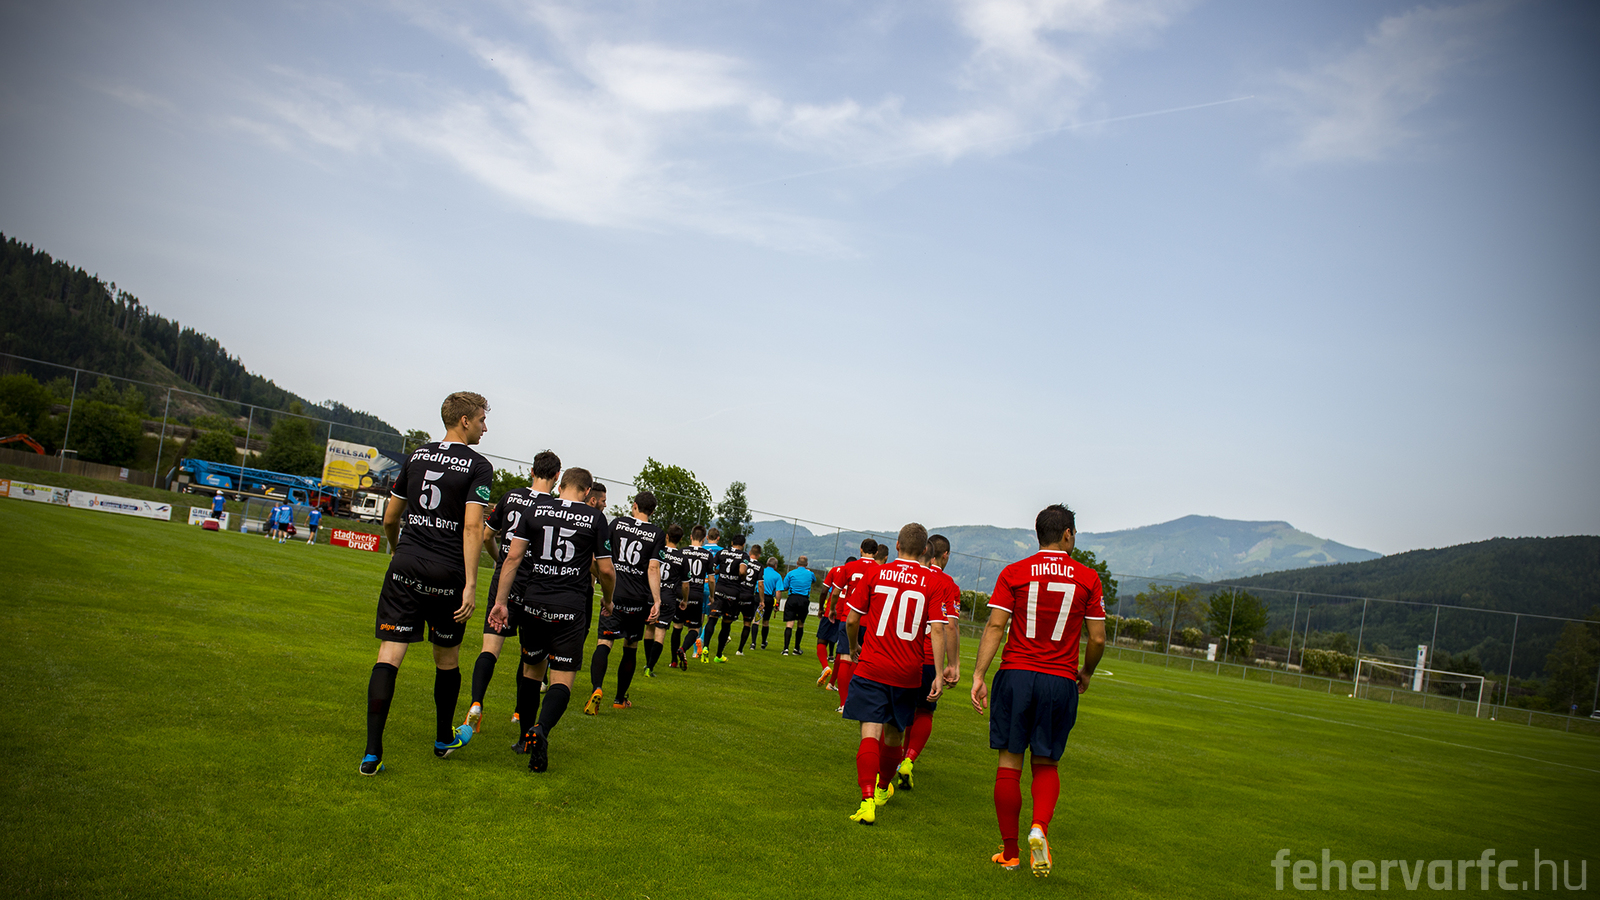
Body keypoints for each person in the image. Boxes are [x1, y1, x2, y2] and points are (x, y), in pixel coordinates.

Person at [359, 391, 493, 776]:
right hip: (447, 572)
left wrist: (396, 550)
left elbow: (390, 518)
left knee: (389, 654)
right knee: (446, 659)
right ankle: (442, 739)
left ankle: (372, 753)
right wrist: (471, 584)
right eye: (482, 419)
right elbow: (472, 527)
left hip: (405, 565)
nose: (485, 427)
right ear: (464, 420)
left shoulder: (417, 455)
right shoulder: (479, 466)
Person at [971, 504, 1106, 878]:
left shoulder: (1014, 572)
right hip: (1059, 680)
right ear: (1067, 533)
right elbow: (1097, 638)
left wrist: (979, 675)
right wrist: (1086, 672)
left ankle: (1010, 853)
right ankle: (1039, 828)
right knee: (1046, 762)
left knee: (1009, 762)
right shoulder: (1088, 578)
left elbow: (995, 626)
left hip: (1015, 675)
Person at [487, 467, 615, 773]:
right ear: (587, 492)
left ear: (560, 485)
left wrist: (501, 602)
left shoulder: (535, 509)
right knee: (562, 678)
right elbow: (606, 570)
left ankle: (524, 738)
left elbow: (513, 558)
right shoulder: (595, 518)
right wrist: (609, 599)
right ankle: (541, 729)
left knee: (531, 671)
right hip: (570, 608)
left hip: (534, 603)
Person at [841, 523, 946, 825]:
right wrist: (939, 673)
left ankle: (866, 801)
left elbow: (852, 620)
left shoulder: (875, 572)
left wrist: (854, 646)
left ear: (897, 545)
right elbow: (938, 630)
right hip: (907, 671)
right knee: (894, 735)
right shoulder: (932, 581)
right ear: (925, 550)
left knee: (869, 732)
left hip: (872, 665)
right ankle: (882, 788)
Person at [462, 450, 559, 736]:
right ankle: (519, 712)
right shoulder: (554, 507)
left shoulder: (511, 496)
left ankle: (476, 703)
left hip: (504, 581)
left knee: (490, 648)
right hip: (534, 584)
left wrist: (499, 560)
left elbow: (487, 535)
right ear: (557, 476)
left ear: (532, 471)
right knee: (530, 655)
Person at [585, 491, 665, 713]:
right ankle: (619, 699)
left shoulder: (617, 524)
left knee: (604, 642)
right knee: (630, 646)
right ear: (652, 511)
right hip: (638, 599)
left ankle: (597, 689)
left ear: (634, 505)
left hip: (614, 593)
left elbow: (596, 557)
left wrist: (602, 578)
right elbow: (653, 568)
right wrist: (657, 600)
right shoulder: (657, 533)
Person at [896, 533, 961, 789]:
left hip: (900, 654)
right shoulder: (947, 584)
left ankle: (893, 760)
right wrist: (953, 664)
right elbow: (950, 626)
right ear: (945, 555)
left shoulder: (906, 575)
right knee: (925, 710)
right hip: (928, 658)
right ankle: (908, 760)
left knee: (900, 712)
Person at [829, 539, 881, 708]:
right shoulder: (880, 570)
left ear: (860, 549)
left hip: (848, 618)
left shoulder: (849, 567)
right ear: (876, 552)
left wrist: (832, 609)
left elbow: (835, 592)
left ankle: (843, 704)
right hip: (869, 621)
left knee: (845, 657)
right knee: (861, 660)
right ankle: (854, 701)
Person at [646, 523, 687, 675]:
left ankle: (647, 663)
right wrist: (685, 599)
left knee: (649, 628)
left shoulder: (657, 550)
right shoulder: (682, 558)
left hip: (652, 594)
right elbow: (685, 585)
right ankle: (650, 667)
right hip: (668, 598)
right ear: (680, 539)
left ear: (667, 536)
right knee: (660, 632)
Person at [673, 526, 713, 668]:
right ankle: (683, 649)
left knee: (677, 626)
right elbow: (711, 579)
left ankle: (673, 661)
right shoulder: (707, 555)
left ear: (691, 536)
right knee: (694, 628)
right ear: (703, 539)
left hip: (681, 593)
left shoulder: (682, 551)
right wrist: (712, 596)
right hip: (697, 594)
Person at [708, 534, 748, 662]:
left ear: (731, 542)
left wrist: (720, 572)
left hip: (720, 589)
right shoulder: (744, 555)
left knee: (712, 618)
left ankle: (705, 647)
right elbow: (742, 571)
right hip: (733, 592)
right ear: (743, 544)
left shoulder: (722, 552)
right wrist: (742, 578)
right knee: (726, 623)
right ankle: (718, 655)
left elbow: (712, 567)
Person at [815, 559, 852, 682]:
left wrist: (821, 608)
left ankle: (825, 667)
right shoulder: (858, 573)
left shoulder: (835, 570)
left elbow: (824, 591)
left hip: (831, 612)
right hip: (846, 615)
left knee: (821, 641)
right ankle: (832, 683)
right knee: (842, 649)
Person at [780, 556, 816, 655]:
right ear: (807, 564)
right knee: (800, 624)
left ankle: (786, 649)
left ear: (797, 563)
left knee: (789, 624)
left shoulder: (791, 573)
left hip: (792, 598)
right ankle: (796, 648)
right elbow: (814, 580)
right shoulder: (810, 574)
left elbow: (785, 587)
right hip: (804, 600)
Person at [698, 528, 723, 654]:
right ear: (718, 538)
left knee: (698, 619)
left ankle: (695, 650)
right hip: (713, 587)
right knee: (711, 619)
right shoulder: (722, 552)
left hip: (699, 586)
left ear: (707, 537)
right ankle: (702, 640)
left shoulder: (700, 549)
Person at [758, 555, 782, 649]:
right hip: (768, 599)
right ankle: (763, 642)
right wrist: (777, 604)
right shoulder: (777, 575)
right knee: (765, 621)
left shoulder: (761, 571)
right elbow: (778, 591)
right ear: (775, 565)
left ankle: (753, 643)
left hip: (758, 596)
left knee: (756, 620)